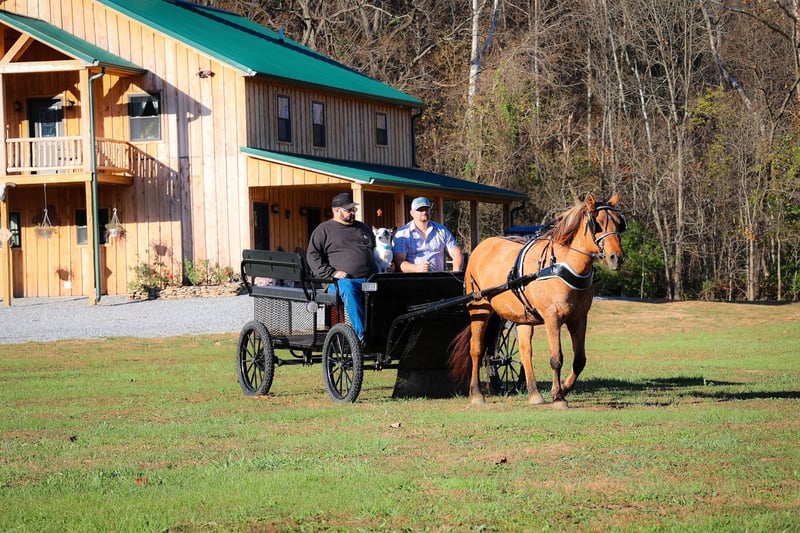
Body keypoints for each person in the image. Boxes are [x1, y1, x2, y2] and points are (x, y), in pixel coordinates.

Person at [306, 192, 379, 341]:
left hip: (370, 279)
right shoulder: (324, 230)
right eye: (348, 210)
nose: (352, 213)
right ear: (336, 210)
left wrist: (387, 264)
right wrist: (332, 273)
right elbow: (312, 256)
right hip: (339, 282)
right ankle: (362, 336)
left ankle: (386, 334)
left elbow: (376, 251)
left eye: (353, 209)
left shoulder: (362, 228)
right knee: (348, 287)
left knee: (390, 288)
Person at [393, 197, 463, 273]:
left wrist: (456, 273)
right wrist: (417, 268)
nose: (424, 212)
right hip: (413, 278)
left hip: (439, 277)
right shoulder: (403, 233)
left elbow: (457, 253)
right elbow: (399, 262)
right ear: (412, 213)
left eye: (426, 209)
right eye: (420, 210)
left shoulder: (442, 230)